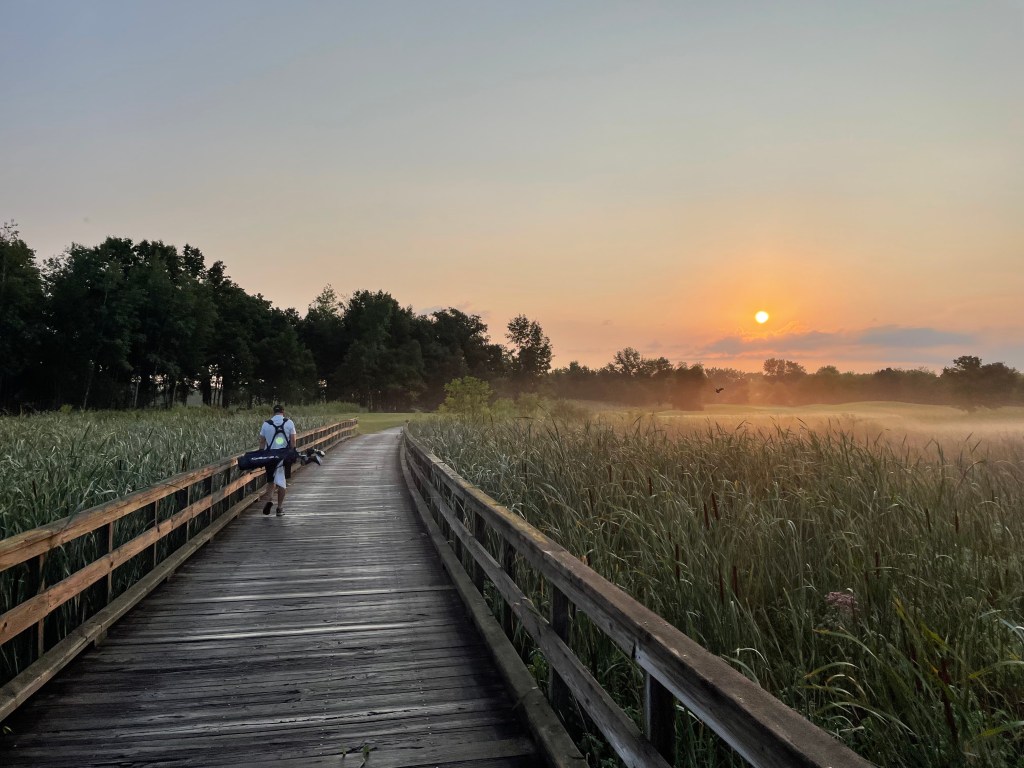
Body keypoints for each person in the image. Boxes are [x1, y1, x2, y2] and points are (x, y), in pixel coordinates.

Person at [259, 404, 297, 516]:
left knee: (271, 481)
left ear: (273, 412)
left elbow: (262, 442)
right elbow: (293, 441)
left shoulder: (266, 424)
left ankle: (269, 500)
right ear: (283, 412)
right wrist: (292, 453)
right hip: (284, 456)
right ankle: (279, 508)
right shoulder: (289, 423)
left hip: (270, 456)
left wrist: (261, 455)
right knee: (282, 482)